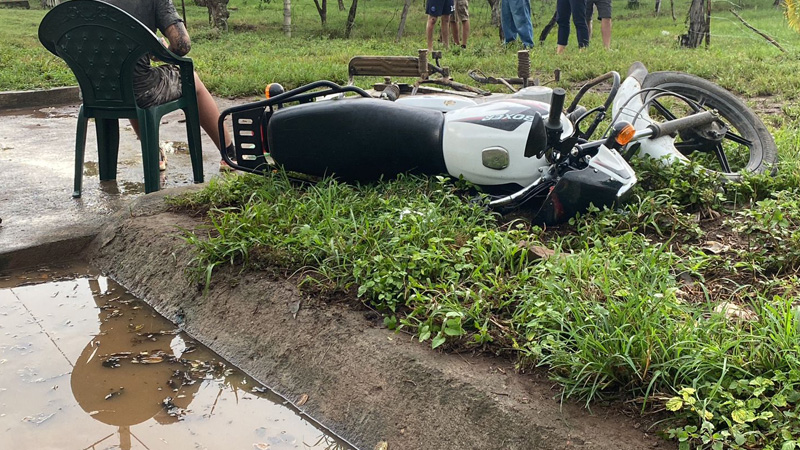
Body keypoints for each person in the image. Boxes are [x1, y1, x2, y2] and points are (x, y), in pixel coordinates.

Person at [101, 0, 234, 171]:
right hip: (140, 89)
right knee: (190, 79)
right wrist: (160, 51)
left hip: (96, 89)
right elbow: (182, 44)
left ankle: (154, 155)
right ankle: (230, 153)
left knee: (129, 76)